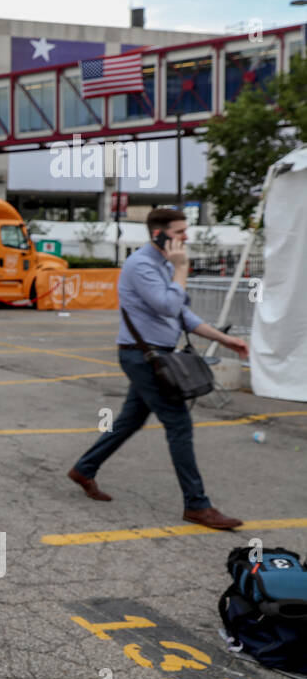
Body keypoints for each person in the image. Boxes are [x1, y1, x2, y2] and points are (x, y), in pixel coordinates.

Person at [69, 207, 250, 528]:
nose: (186, 237)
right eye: (180, 231)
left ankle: (84, 469)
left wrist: (225, 340)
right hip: (144, 357)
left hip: (157, 356)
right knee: (179, 424)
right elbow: (166, 304)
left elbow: (183, 315)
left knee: (129, 420)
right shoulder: (142, 265)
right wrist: (181, 268)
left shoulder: (164, 265)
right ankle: (197, 505)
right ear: (159, 234)